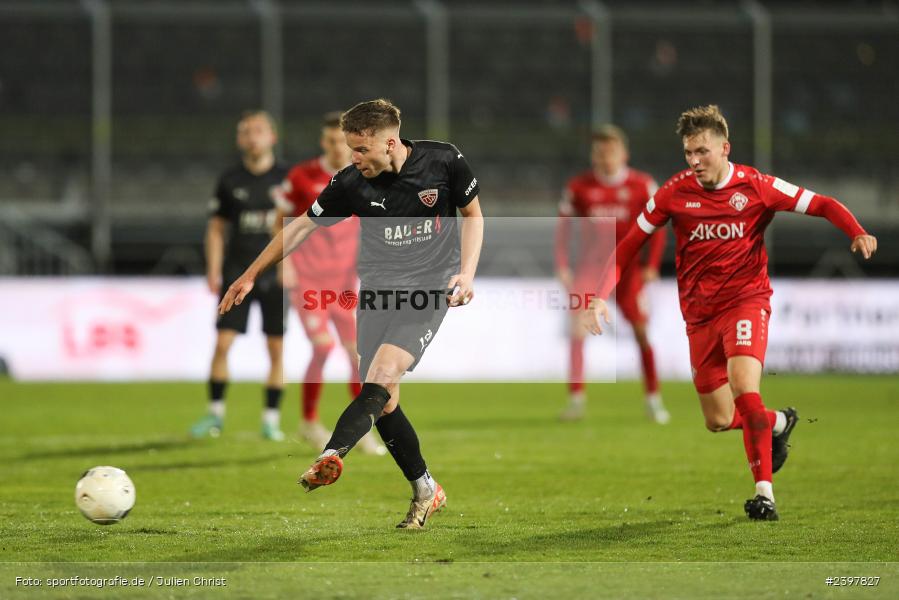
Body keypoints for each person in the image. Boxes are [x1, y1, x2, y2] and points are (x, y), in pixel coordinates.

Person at [585, 105, 877, 520]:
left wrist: (856, 230)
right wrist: (599, 295)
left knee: (745, 387)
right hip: (699, 316)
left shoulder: (757, 186)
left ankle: (765, 495)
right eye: (688, 152)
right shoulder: (673, 192)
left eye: (701, 151)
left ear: (725, 148)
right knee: (720, 419)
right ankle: (777, 422)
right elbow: (630, 242)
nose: (694, 161)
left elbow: (822, 204)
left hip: (746, 301)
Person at [219, 99, 484, 529]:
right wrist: (250, 274)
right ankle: (425, 489)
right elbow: (301, 225)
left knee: (380, 375)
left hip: (428, 291)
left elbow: (472, 215)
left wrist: (466, 273)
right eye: (348, 148)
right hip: (377, 295)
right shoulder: (349, 183)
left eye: (360, 149)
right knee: (384, 402)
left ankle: (331, 454)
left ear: (390, 142)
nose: (351, 157)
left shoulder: (444, 161)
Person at [273, 111, 385, 455]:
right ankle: (309, 420)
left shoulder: (363, 176)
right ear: (324, 141)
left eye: (343, 140)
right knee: (322, 346)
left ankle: (361, 427)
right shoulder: (302, 176)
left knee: (357, 355)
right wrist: (285, 261)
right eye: (332, 140)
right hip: (308, 281)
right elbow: (282, 219)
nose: (338, 146)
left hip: (344, 284)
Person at [555, 125, 670, 423]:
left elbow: (658, 229)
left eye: (611, 150)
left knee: (641, 333)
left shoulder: (642, 185)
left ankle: (653, 399)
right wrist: (563, 264)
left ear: (624, 153)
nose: (605, 157)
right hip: (591, 269)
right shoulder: (579, 187)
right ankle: (576, 399)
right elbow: (564, 228)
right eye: (600, 151)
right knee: (578, 330)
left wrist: (652, 265)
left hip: (628, 271)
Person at [191, 110, 289, 441]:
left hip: (274, 274)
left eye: (258, 131)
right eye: (245, 132)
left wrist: (293, 267)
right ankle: (215, 415)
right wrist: (213, 268)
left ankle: (271, 420)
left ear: (272, 137)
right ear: (239, 139)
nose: (252, 137)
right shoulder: (230, 181)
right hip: (237, 273)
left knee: (275, 348)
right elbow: (216, 229)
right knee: (222, 343)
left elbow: (301, 228)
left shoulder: (287, 179)